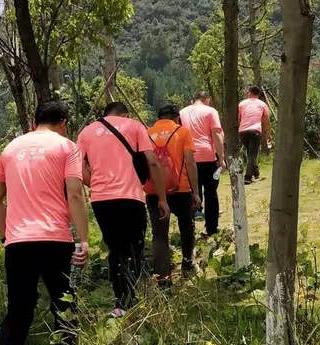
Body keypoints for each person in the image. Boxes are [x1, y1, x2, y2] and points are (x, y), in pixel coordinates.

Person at [0, 99, 89, 345]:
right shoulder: (66, 146)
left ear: (34, 121)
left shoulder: (12, 148)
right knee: (63, 306)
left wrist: (7, 234)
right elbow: (74, 193)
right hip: (54, 239)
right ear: (63, 121)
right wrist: (84, 238)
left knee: (18, 311)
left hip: (18, 243)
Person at [78, 101, 168, 317]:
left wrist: (97, 184)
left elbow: (79, 170)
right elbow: (152, 162)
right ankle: (131, 298)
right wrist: (162, 198)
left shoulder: (86, 132)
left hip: (101, 200)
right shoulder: (135, 126)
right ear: (125, 114)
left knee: (115, 248)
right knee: (134, 247)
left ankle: (120, 302)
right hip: (131, 197)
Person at [146, 104, 201, 283]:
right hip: (181, 189)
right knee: (186, 226)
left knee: (159, 233)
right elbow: (191, 163)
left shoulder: (147, 133)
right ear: (177, 117)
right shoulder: (182, 132)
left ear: (159, 118)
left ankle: (163, 277)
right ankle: (187, 263)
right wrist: (196, 192)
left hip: (155, 191)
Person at [180, 90, 225, 236]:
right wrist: (221, 158)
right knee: (211, 192)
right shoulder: (211, 111)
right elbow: (216, 134)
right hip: (207, 156)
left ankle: (189, 227)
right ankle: (211, 228)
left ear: (192, 100)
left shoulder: (181, 113)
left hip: (188, 157)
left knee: (191, 193)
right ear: (207, 100)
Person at [238, 85, 271, 184]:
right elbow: (266, 121)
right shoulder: (263, 104)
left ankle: (255, 172)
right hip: (255, 130)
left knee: (250, 153)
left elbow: (239, 118)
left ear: (250, 92)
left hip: (243, 131)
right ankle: (248, 177)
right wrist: (268, 134)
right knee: (252, 154)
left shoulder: (241, 104)